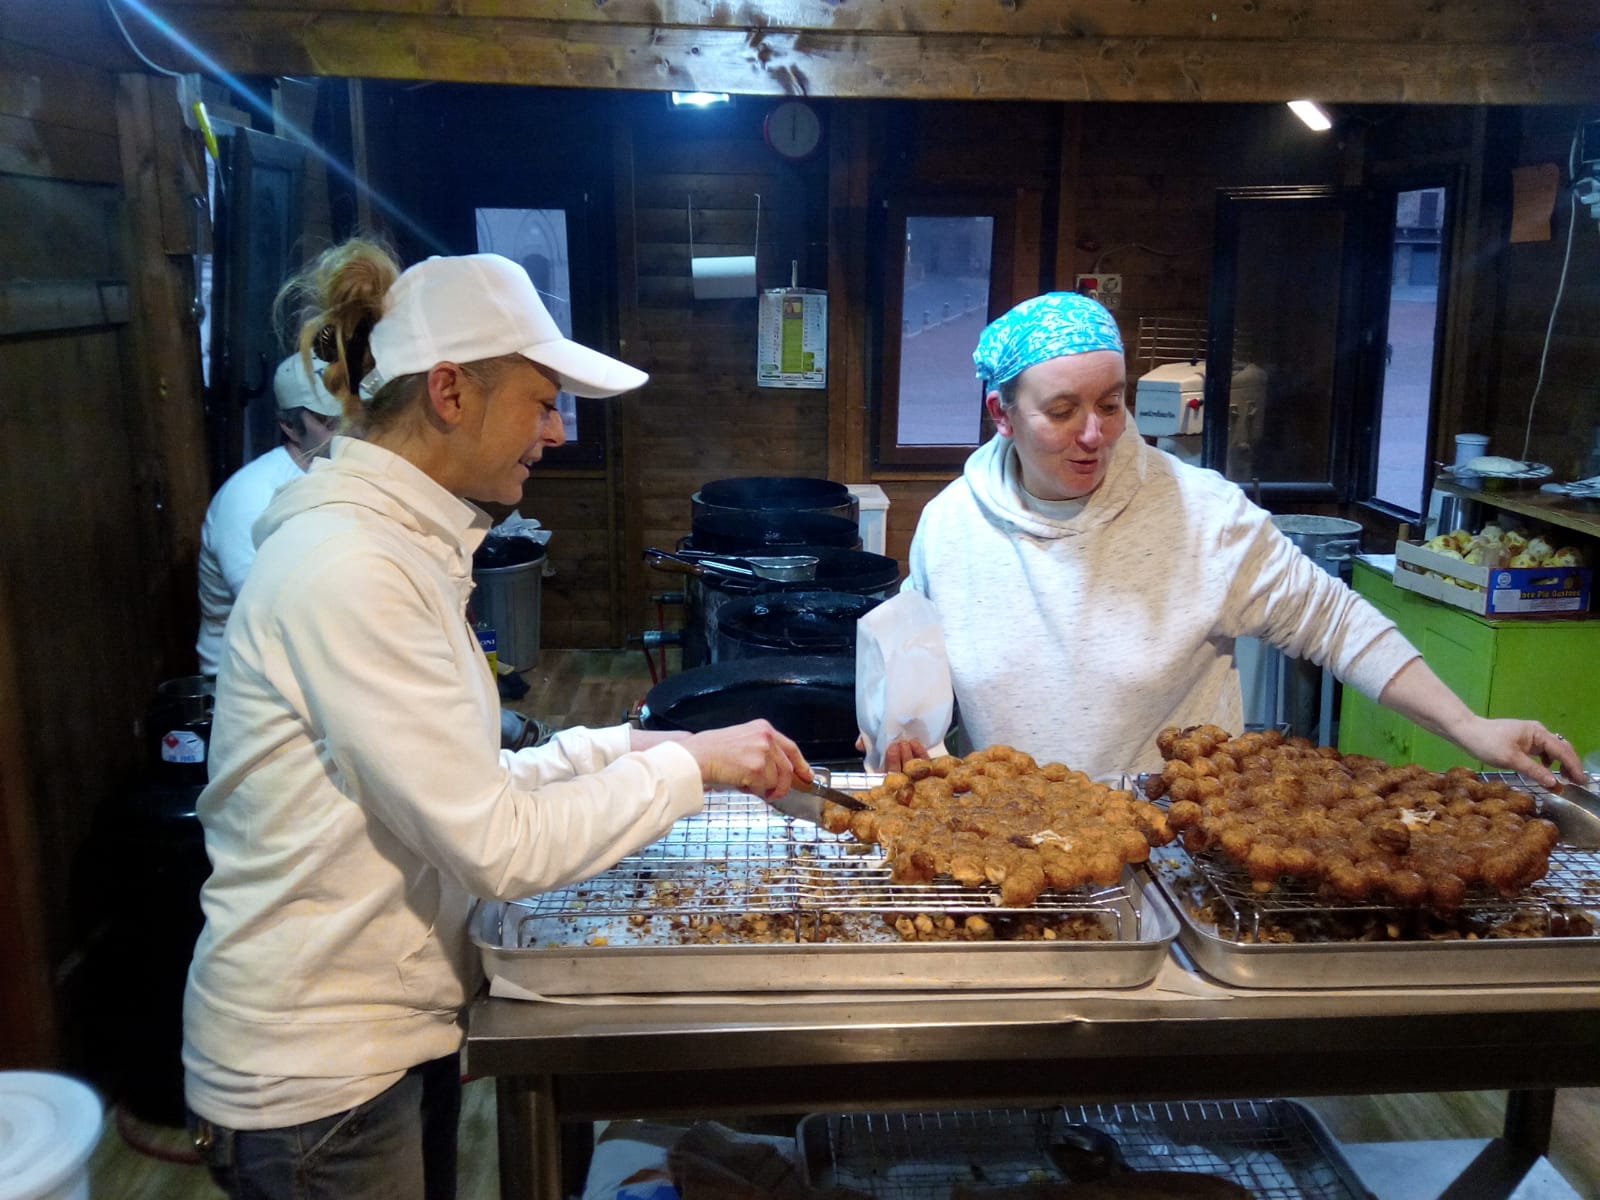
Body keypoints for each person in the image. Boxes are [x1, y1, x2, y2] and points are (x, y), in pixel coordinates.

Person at [182, 241, 810, 1200]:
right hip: (315, 1075)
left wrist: (649, 743)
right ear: (449, 391)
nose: (556, 432)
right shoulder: (351, 570)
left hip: (373, 1042)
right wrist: (693, 772)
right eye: (542, 400)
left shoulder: (396, 546)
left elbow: (462, 780)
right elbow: (495, 846)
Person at [881, 291, 1584, 789]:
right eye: (1062, 412)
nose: (1094, 434)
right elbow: (914, 665)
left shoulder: (1202, 515)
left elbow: (1338, 624)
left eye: (1111, 403)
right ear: (1001, 413)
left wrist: (1468, 726)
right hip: (1015, 842)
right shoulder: (952, 527)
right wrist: (900, 725)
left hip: (1173, 854)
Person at [195, 353, 344, 674]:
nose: (348, 431)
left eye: (352, 414)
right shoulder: (251, 495)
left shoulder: (343, 476)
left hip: (311, 664)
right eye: (330, 422)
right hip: (247, 680)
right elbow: (273, 614)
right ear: (289, 426)